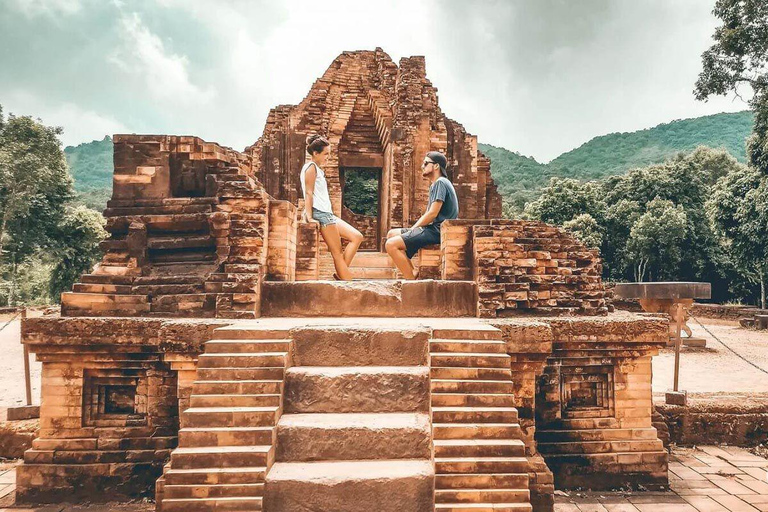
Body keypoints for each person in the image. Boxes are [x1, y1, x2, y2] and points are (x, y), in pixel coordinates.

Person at [385, 151, 459, 279]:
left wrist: (413, 229)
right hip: (433, 229)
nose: (422, 166)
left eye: (425, 163)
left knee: (390, 244)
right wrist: (412, 230)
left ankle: (411, 281)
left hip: (438, 231)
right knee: (391, 234)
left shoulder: (441, 182)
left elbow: (432, 214)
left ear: (436, 166)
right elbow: (429, 213)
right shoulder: (435, 185)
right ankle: (412, 271)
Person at [300, 134, 364, 280]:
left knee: (356, 237)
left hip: (326, 213)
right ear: (315, 153)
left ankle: (340, 275)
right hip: (321, 213)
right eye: (325, 154)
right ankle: (348, 284)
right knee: (337, 254)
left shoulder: (316, 168)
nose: (327, 157)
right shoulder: (311, 168)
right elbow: (309, 193)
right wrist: (309, 216)